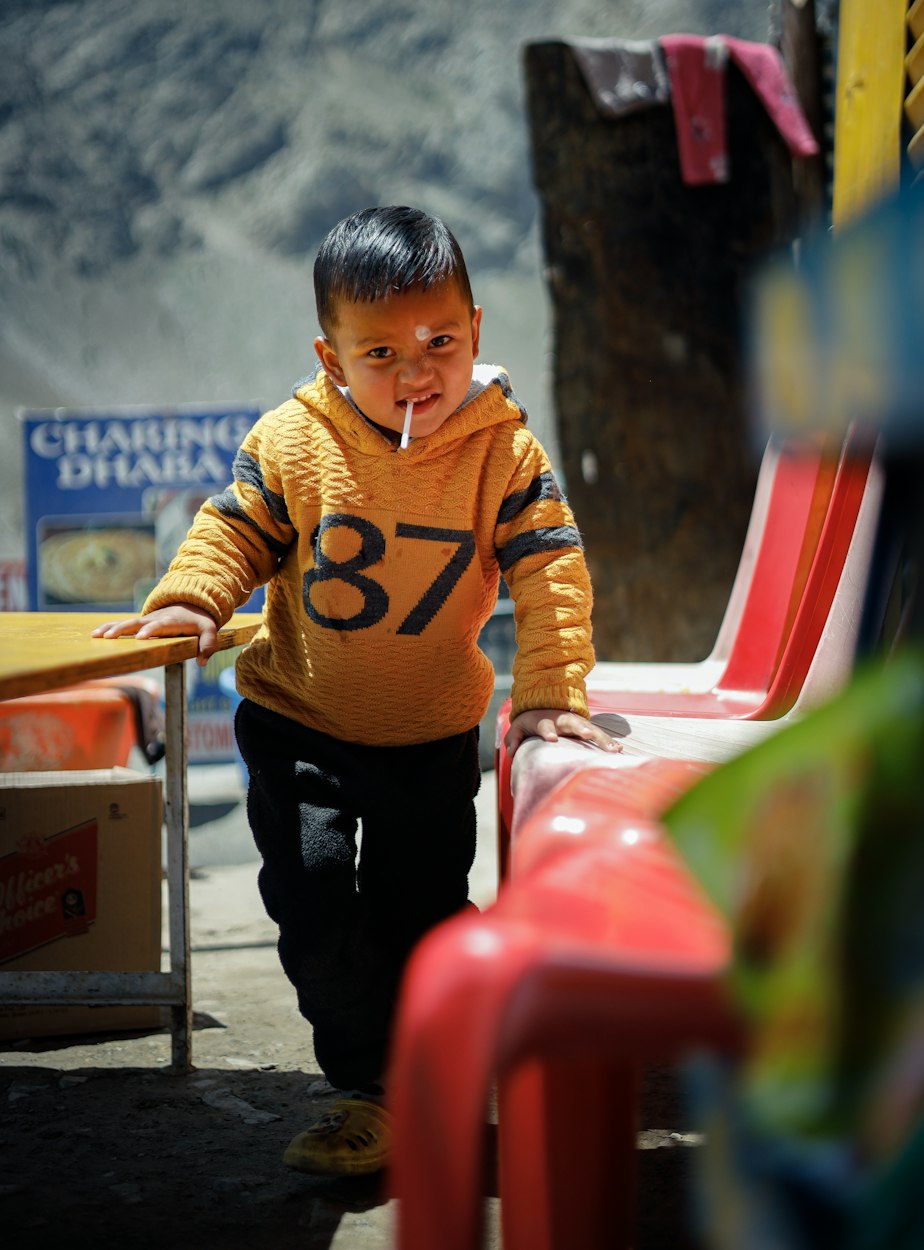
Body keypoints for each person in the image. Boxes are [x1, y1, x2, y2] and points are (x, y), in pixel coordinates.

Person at [93, 205, 621, 1176]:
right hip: (302, 724)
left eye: (440, 341)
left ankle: (436, 1064)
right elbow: (233, 529)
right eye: (379, 350)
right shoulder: (295, 440)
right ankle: (365, 1085)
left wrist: (550, 688)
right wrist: (191, 598)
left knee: (422, 912)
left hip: (429, 738)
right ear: (329, 355)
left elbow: (552, 571)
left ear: (476, 332)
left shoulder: (505, 454)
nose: (416, 370)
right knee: (315, 901)